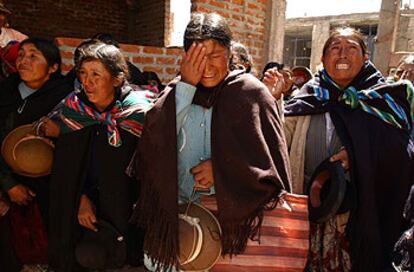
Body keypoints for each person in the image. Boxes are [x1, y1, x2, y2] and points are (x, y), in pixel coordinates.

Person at [131, 12, 291, 271]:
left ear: (229, 53)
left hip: (238, 225)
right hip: (182, 221)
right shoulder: (175, 94)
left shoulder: (252, 94)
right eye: (197, 56)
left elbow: (270, 162)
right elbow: (154, 147)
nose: (205, 66)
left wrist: (223, 170)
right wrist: (186, 88)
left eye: (214, 55)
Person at [282, 27, 414, 271]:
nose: (342, 54)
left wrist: (358, 156)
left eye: (351, 48)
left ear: (366, 58)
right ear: (322, 60)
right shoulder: (308, 96)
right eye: (335, 48)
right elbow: (277, 139)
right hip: (307, 210)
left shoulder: (382, 98)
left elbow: (404, 153)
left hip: (358, 215)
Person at [47, 41, 153, 272]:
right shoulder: (75, 110)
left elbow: (152, 170)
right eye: (83, 74)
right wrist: (81, 198)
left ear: (116, 79)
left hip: (129, 211)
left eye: (96, 74)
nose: (87, 82)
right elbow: (66, 169)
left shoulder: (137, 114)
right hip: (86, 213)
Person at [0, 38, 72, 272]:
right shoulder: (4, 93)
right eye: (21, 55)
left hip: (51, 189)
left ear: (52, 67)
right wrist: (8, 185)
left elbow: (76, 148)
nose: (24, 60)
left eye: (33, 56)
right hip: (5, 181)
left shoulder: (66, 99)